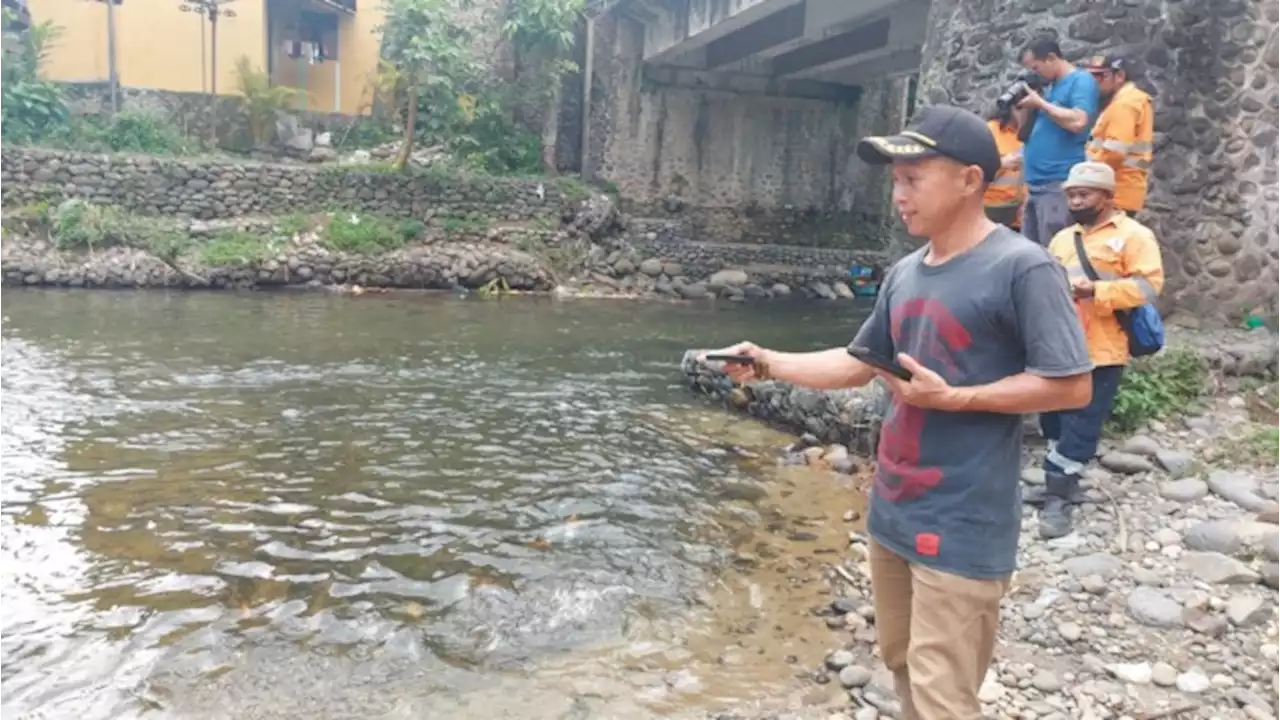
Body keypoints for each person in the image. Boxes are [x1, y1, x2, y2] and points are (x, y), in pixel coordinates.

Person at [703, 105, 1093, 720]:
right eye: (895, 180)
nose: (899, 195)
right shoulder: (906, 274)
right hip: (893, 514)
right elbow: (861, 362)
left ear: (970, 181)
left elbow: (1070, 386)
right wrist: (769, 361)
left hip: (964, 526)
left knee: (945, 697)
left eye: (913, 178)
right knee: (904, 668)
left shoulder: (1023, 267)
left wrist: (956, 399)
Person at [1026, 161, 1165, 538]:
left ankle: (1058, 496)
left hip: (1102, 348)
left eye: (1084, 194)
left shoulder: (1135, 236)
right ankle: (1062, 481)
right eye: (1071, 194)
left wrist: (1097, 291)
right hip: (1059, 345)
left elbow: (1149, 287)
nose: (1075, 200)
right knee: (1053, 419)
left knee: (1082, 423)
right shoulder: (1061, 239)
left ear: (1107, 197)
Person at [1018, 37, 1100, 246]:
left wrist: (1041, 103)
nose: (1035, 74)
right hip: (1035, 184)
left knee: (1056, 251)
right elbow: (1024, 133)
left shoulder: (1080, 81)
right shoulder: (1049, 88)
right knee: (1032, 252)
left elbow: (1078, 121)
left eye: (1036, 68)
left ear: (1051, 58)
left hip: (1058, 182)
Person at [1083, 55, 1155, 214]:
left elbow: (1114, 151)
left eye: (1100, 76)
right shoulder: (1130, 100)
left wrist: (1085, 175)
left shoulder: (1124, 104)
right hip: (1120, 189)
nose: (1093, 82)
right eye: (1091, 76)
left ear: (1120, 76)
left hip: (1115, 192)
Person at [985, 103, 1027, 229]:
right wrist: (1002, 163)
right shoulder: (990, 130)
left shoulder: (1030, 134)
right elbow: (973, 167)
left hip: (1018, 208)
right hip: (990, 206)